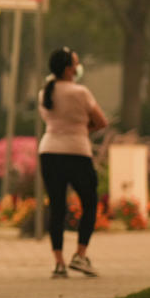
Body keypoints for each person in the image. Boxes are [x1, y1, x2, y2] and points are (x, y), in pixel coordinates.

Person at [38, 47, 109, 279]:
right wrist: (82, 130)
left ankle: (58, 263)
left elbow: (51, 120)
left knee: (57, 206)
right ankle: (80, 254)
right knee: (89, 202)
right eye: (76, 64)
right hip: (77, 152)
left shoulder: (45, 93)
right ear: (69, 69)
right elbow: (101, 121)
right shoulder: (81, 92)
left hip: (49, 152)